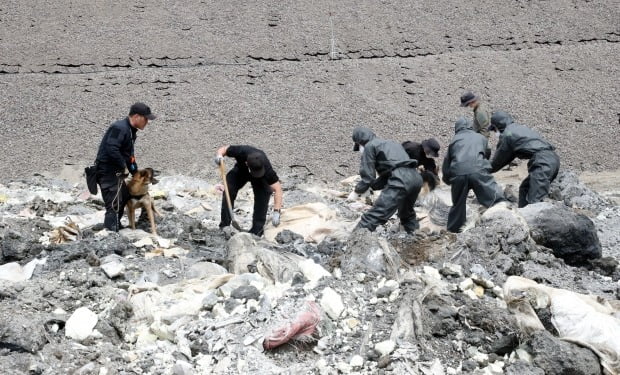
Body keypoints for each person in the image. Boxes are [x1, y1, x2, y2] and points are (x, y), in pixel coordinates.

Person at [94, 102, 156, 231]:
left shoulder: (130, 131)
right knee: (114, 203)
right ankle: (111, 232)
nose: (147, 122)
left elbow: (129, 155)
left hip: (117, 172)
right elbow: (112, 148)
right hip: (107, 172)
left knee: (125, 195)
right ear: (137, 117)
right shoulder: (119, 127)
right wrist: (123, 166)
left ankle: (117, 226)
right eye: (146, 119)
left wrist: (135, 173)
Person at [348, 127, 422, 233]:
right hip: (415, 177)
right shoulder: (392, 143)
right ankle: (416, 239)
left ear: (360, 142)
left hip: (401, 179)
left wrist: (357, 191)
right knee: (407, 214)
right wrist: (372, 187)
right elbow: (390, 173)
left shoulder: (370, 146)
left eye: (358, 146)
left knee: (375, 214)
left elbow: (368, 177)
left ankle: (351, 243)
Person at [442, 117, 506, 232]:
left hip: (458, 173)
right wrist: (483, 166)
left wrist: (447, 179)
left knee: (458, 204)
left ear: (457, 129)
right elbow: (487, 152)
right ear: (471, 127)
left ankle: (453, 231)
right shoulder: (481, 138)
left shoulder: (454, 141)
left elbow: (447, 162)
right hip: (478, 171)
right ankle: (504, 216)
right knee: (493, 197)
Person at [488, 111, 560, 208]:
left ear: (498, 126)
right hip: (552, 159)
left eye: (494, 129)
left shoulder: (508, 134)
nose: (494, 132)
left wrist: (482, 168)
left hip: (542, 161)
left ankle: (533, 221)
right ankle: (523, 214)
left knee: (535, 200)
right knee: (525, 188)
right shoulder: (520, 128)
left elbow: (499, 161)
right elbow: (510, 156)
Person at [214, 145, 282, 236]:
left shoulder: (267, 169)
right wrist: (219, 156)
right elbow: (223, 149)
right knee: (228, 188)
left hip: (260, 178)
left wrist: (277, 212)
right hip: (241, 172)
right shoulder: (241, 151)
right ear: (246, 163)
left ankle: (256, 231)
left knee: (263, 196)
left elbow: (278, 189)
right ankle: (225, 225)